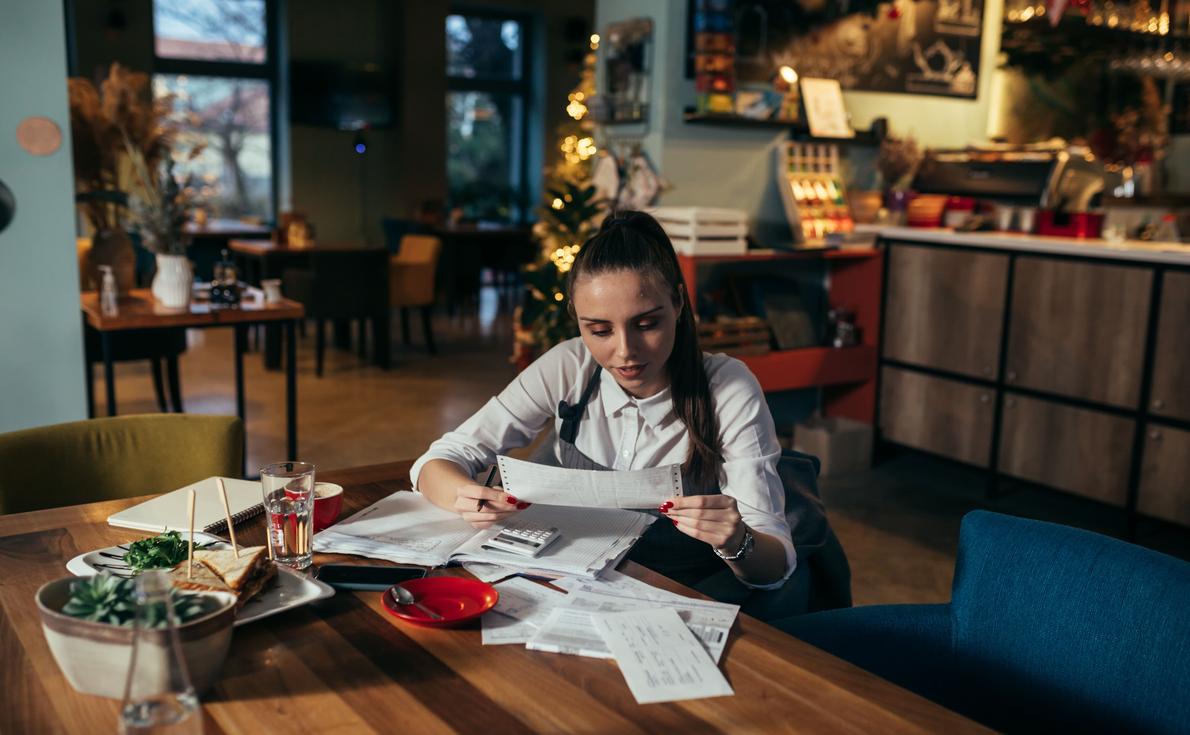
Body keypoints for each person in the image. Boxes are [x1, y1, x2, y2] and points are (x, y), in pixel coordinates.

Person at [412, 211, 806, 610]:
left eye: (647, 324)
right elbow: (440, 459)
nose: (625, 351)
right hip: (567, 594)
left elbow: (774, 571)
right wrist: (468, 497)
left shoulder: (727, 388)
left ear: (679, 304)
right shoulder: (568, 367)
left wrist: (738, 541)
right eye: (599, 331)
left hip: (681, 604)